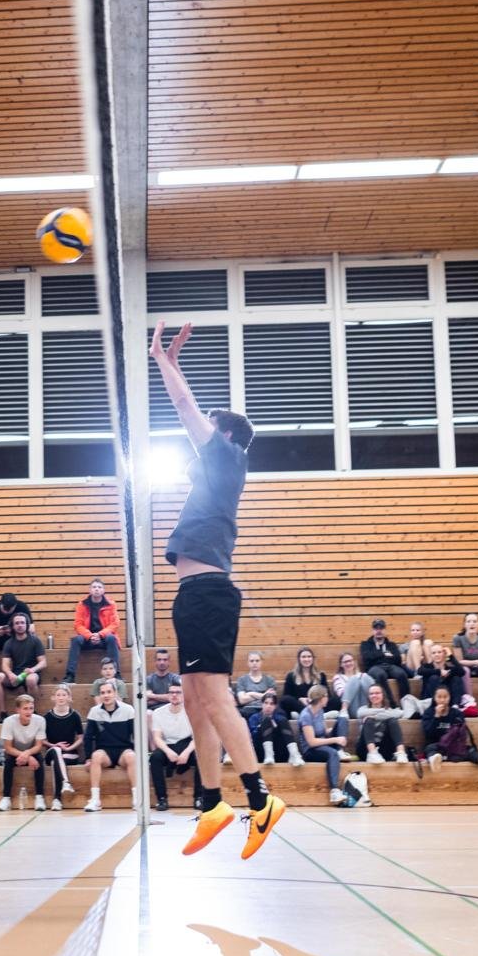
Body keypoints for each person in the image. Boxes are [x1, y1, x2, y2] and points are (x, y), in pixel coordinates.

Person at [150, 319, 284, 857]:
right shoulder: (214, 478)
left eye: (211, 423)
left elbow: (186, 409)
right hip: (196, 595)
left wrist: (167, 362)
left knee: (215, 695)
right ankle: (210, 803)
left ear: (225, 436)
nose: (200, 426)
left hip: (207, 594)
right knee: (195, 698)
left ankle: (259, 797)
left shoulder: (229, 456)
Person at [83, 680, 137, 812]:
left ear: (115, 693)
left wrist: (138, 754)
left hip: (123, 751)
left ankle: (137, 799)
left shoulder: (128, 710)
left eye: (109, 692)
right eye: (102, 693)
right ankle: (95, 800)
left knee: (131, 756)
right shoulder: (94, 712)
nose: (106, 695)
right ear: (99, 695)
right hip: (105, 753)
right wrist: (88, 758)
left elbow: (136, 734)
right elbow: (88, 738)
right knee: (96, 756)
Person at [149, 683, 201, 810]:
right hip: (168, 746)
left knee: (202, 756)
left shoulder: (192, 711)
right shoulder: (158, 712)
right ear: (167, 695)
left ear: (183, 695)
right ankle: (162, 799)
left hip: (187, 745)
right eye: (171, 692)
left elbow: (197, 737)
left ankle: (199, 798)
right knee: (155, 758)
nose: (174, 695)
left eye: (178, 692)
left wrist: (186, 753)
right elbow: (157, 737)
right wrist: (168, 752)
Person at [422, 687, 478, 771]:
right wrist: (437, 716)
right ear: (434, 698)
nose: (442, 700)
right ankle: (434, 761)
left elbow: (462, 733)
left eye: (445, 697)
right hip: (436, 745)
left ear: (450, 697)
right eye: (439, 697)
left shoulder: (456, 713)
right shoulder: (428, 713)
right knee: (430, 748)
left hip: (453, 746)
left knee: (468, 750)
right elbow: (428, 733)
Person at [298, 684, 352, 803]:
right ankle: (334, 791)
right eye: (327, 696)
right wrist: (335, 740)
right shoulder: (306, 715)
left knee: (342, 719)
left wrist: (337, 731)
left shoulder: (320, 710)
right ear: (321, 698)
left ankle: (340, 750)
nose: (328, 698)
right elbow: (311, 742)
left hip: (323, 743)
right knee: (332, 754)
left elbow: (324, 732)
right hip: (311, 750)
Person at [63, 578, 122, 682]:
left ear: (103, 590)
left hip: (104, 639)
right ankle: (70, 676)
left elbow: (115, 624)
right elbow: (78, 624)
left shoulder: (111, 604)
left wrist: (100, 634)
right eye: (94, 587)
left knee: (112, 638)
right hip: (88, 639)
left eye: (99, 587)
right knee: (76, 640)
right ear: (90, 590)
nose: (97, 589)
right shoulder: (82, 604)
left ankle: (116, 675)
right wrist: (90, 636)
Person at [0, 693, 48, 811]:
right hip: (14, 752)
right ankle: (6, 798)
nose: (29, 711)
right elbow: (8, 748)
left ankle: (39, 797)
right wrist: (26, 756)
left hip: (32, 751)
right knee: (8, 762)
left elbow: (39, 746)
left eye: (31, 708)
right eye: (25, 708)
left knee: (39, 760)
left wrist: (28, 754)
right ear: (17, 710)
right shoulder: (9, 721)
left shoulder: (40, 720)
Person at [0, 611, 47, 715]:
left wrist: (32, 670)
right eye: (17, 623)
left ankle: (32, 712)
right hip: (16, 675)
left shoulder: (35, 641)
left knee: (31, 679)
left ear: (26, 625)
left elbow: (43, 662)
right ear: (13, 626)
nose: (20, 625)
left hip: (31, 673)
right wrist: (10, 674)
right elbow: (5, 664)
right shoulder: (9, 643)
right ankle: (3, 713)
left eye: (22, 623)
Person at [0, 591, 35, 680]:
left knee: (31, 639)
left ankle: (23, 671)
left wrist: (14, 630)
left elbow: (32, 628)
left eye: (9, 609)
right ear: (0, 603)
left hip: (16, 638)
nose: (6, 611)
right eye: (4, 608)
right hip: (0, 638)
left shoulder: (22, 606)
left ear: (15, 606)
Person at [43, 683, 82, 807]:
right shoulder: (47, 717)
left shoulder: (75, 716)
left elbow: (81, 738)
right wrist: (54, 745)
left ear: (69, 698)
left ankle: (56, 800)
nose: (61, 697)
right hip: (51, 752)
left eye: (64, 695)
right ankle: (66, 782)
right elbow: (42, 740)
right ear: (53, 697)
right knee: (56, 750)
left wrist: (69, 748)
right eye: (58, 695)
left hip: (70, 754)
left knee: (56, 762)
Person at [248, 689, 305, 768]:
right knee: (267, 721)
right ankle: (269, 754)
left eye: (271, 704)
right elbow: (252, 737)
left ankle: (294, 754)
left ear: (275, 706)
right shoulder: (254, 717)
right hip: (260, 751)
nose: (268, 706)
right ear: (262, 704)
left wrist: (275, 728)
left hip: (278, 751)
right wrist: (262, 727)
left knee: (283, 721)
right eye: (266, 703)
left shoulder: (279, 717)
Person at [358, 618, 410, 704]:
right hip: (374, 668)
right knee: (380, 675)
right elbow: (367, 658)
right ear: (372, 631)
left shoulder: (391, 644)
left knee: (402, 674)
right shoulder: (365, 644)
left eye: (381, 628)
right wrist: (384, 654)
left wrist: (376, 655)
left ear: (385, 630)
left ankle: (406, 702)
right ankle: (390, 703)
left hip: (391, 666)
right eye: (376, 629)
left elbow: (398, 659)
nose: (379, 631)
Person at [355, 683, 409, 764]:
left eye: (377, 693)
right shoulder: (363, 709)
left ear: (383, 695)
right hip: (365, 750)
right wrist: (384, 712)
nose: (374, 696)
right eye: (371, 694)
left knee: (392, 720)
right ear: (368, 696)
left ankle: (401, 752)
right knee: (369, 720)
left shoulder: (389, 710)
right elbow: (360, 713)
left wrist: (376, 717)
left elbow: (401, 713)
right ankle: (372, 753)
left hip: (385, 748)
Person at [280, 647, 337, 716]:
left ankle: (308, 715)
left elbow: (327, 695)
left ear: (313, 659)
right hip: (300, 705)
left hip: (317, 704)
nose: (306, 659)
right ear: (299, 659)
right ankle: (314, 715)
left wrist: (315, 700)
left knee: (336, 701)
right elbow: (287, 695)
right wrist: (300, 699)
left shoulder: (321, 675)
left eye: (309, 657)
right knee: (285, 700)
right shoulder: (291, 676)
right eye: (303, 657)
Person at [452, 613, 478, 701]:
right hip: (464, 666)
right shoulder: (458, 638)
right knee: (465, 670)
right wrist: (477, 662)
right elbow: (459, 661)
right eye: (469, 621)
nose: (472, 624)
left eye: (475, 621)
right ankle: (470, 702)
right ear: (465, 624)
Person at [234, 651, 277, 727]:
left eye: (257, 661)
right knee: (240, 713)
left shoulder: (269, 680)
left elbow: (271, 698)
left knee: (280, 713)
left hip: (265, 708)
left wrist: (249, 694)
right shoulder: (242, 680)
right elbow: (242, 700)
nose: (254, 663)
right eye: (252, 661)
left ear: (261, 662)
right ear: (248, 663)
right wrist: (263, 695)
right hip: (248, 709)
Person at [332, 651, 377, 721]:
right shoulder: (338, 677)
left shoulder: (362, 676)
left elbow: (375, 689)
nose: (348, 663)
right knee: (354, 679)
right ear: (341, 664)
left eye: (350, 661)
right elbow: (340, 693)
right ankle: (344, 710)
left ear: (354, 662)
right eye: (345, 662)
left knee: (365, 677)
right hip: (352, 708)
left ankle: (376, 707)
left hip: (366, 706)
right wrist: (354, 684)